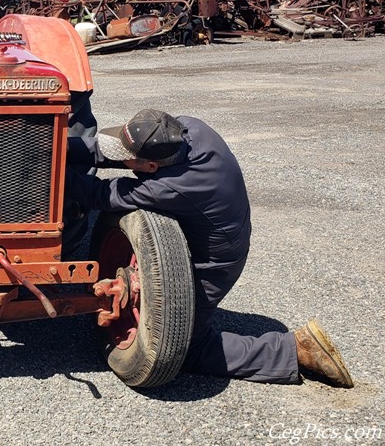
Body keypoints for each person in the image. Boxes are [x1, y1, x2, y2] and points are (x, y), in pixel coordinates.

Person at [66, 109, 354, 388]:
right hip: (220, 221)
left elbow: (100, 194)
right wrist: (56, 147)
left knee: (182, 347)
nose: (123, 158)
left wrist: (49, 174)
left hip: (217, 260)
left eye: (132, 159)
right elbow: (116, 152)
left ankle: (295, 351)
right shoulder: (188, 128)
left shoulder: (172, 187)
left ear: (152, 167)